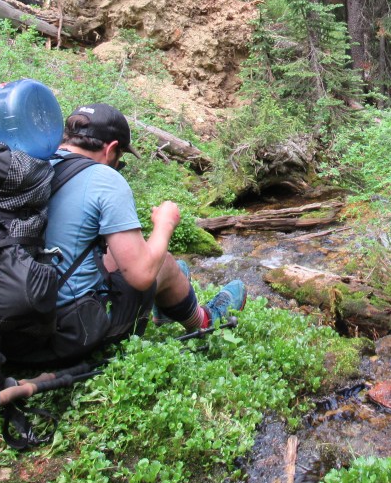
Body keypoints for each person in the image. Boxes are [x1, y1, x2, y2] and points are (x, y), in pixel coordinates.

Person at [38, 103, 246, 363]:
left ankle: (167, 311)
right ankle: (204, 321)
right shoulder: (104, 178)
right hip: (72, 334)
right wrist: (164, 224)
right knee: (164, 264)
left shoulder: (36, 164)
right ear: (111, 148)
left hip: (21, 327)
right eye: (120, 159)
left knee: (153, 261)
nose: (118, 165)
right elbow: (141, 276)